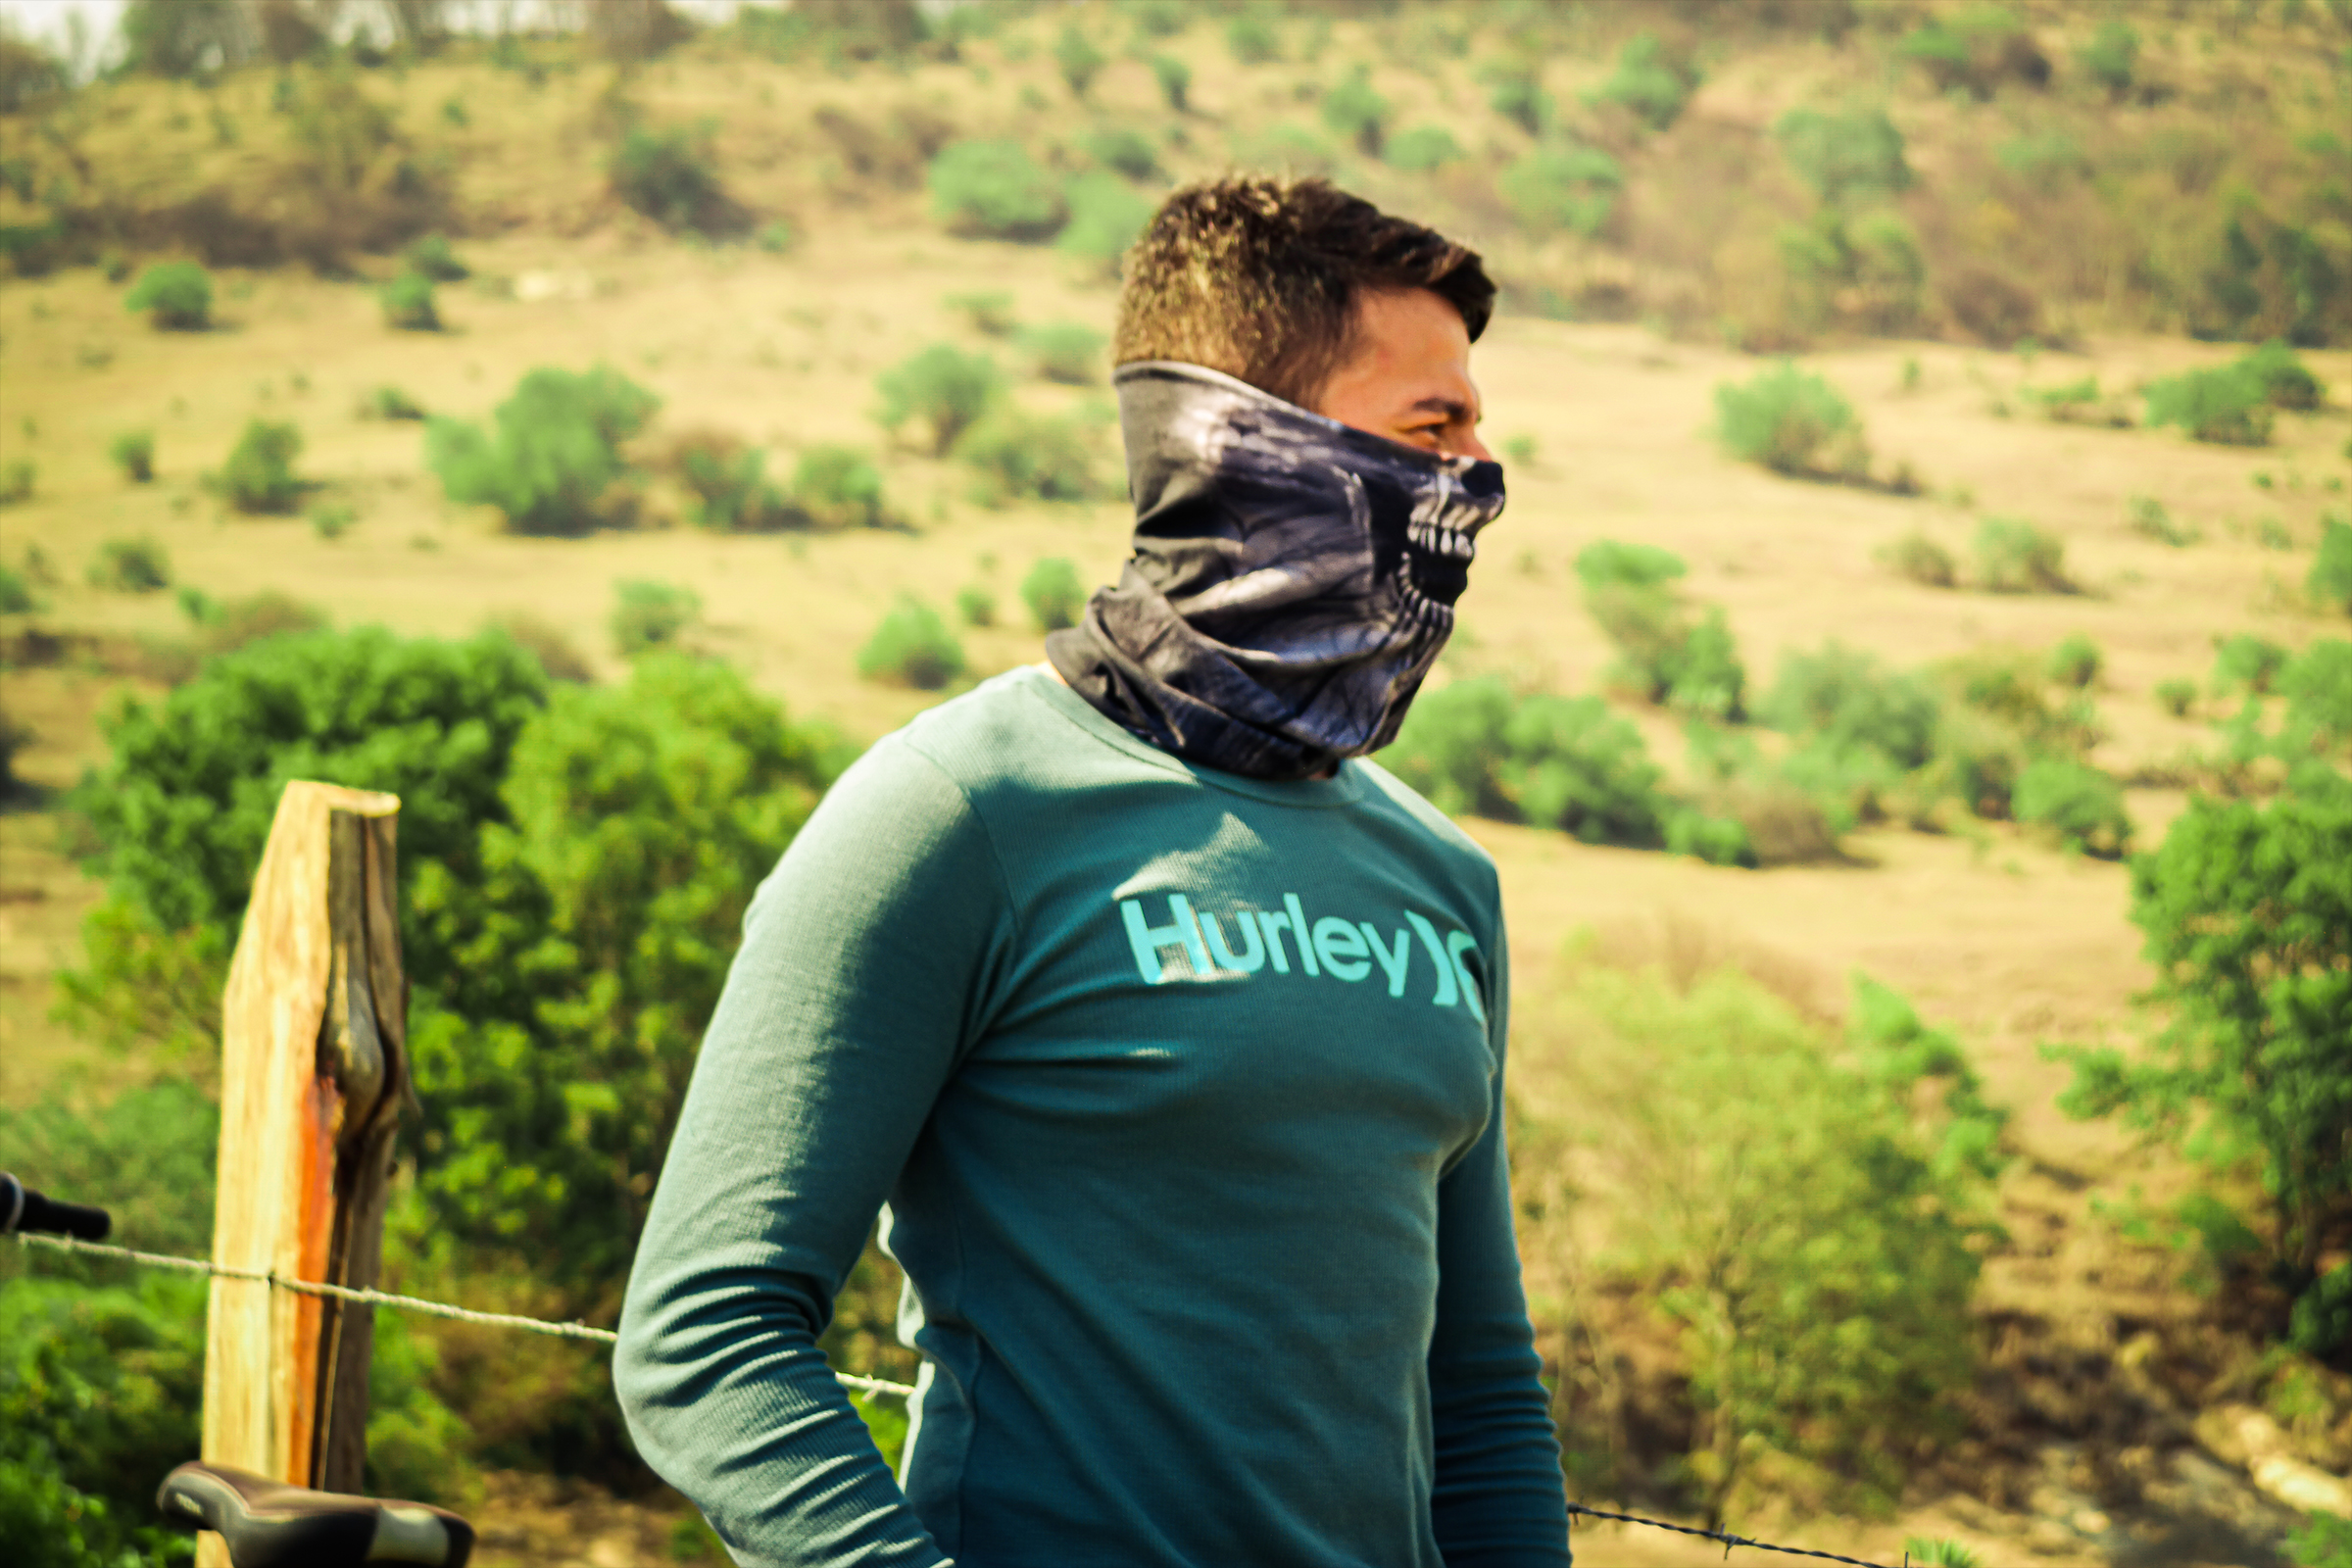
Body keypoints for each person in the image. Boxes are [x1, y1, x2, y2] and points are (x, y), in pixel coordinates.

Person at [614, 176, 1572, 1567]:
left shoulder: (1441, 874)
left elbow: (1478, 1391)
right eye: (1434, 428)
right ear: (1254, 447)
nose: (1479, 478)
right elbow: (706, 1340)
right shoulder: (958, 812)